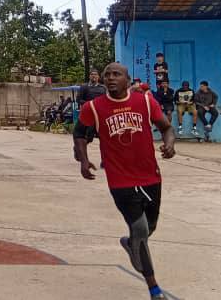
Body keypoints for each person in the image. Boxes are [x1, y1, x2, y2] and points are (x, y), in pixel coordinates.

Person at [74, 62, 176, 300]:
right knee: (140, 228)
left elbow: (166, 128)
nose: (110, 78)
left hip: (150, 176)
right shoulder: (94, 107)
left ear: (127, 80)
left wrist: (170, 144)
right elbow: (79, 133)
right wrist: (83, 159)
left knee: (149, 228)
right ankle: (154, 288)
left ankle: (132, 244)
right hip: (119, 180)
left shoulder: (145, 102)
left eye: (116, 74)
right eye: (107, 74)